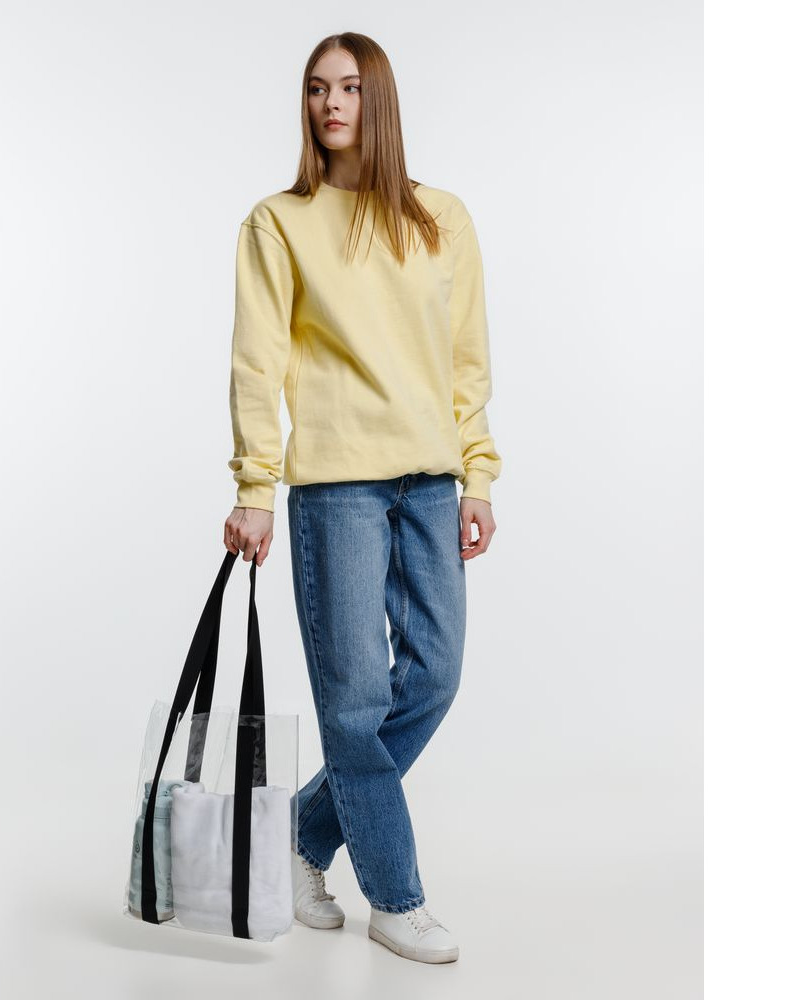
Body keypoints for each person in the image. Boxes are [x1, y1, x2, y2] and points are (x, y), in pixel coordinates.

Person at [222, 32, 502, 965]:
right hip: (335, 485)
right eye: (316, 88)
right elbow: (257, 362)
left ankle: (300, 836)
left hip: (430, 481)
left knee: (433, 679)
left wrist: (478, 472)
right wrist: (255, 488)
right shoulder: (279, 222)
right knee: (354, 705)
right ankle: (396, 898)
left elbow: (466, 360)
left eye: (347, 87)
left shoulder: (441, 218)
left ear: (377, 99)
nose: (330, 104)